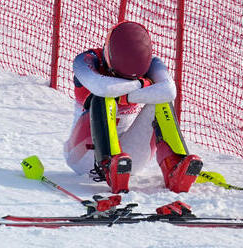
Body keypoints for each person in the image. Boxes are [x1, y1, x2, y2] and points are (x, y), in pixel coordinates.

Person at [64, 21, 203, 194]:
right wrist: (142, 84)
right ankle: (108, 164)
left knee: (161, 101)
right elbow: (104, 88)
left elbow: (169, 91)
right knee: (103, 98)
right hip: (85, 157)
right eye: (119, 75)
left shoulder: (154, 64)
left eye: (136, 76)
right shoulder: (86, 60)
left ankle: (174, 165)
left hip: (128, 162)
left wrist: (127, 91)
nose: (128, 81)